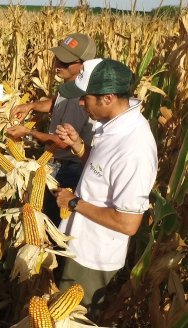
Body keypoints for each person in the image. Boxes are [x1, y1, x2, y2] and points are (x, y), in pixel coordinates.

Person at [54, 58, 157, 319]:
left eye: (84, 98)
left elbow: (128, 223)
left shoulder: (134, 149)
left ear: (108, 98)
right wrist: (79, 147)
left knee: (74, 318)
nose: (79, 103)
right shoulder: (112, 126)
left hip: (93, 257)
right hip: (78, 243)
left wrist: (74, 202)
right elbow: (102, 171)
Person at [6, 33, 96, 226]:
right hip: (59, 164)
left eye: (65, 62)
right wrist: (31, 105)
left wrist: (29, 132)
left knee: (53, 223)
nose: (58, 64)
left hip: (70, 170)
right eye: (58, 58)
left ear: (83, 65)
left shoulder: (80, 98)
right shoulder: (70, 87)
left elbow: (64, 143)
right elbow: (57, 102)